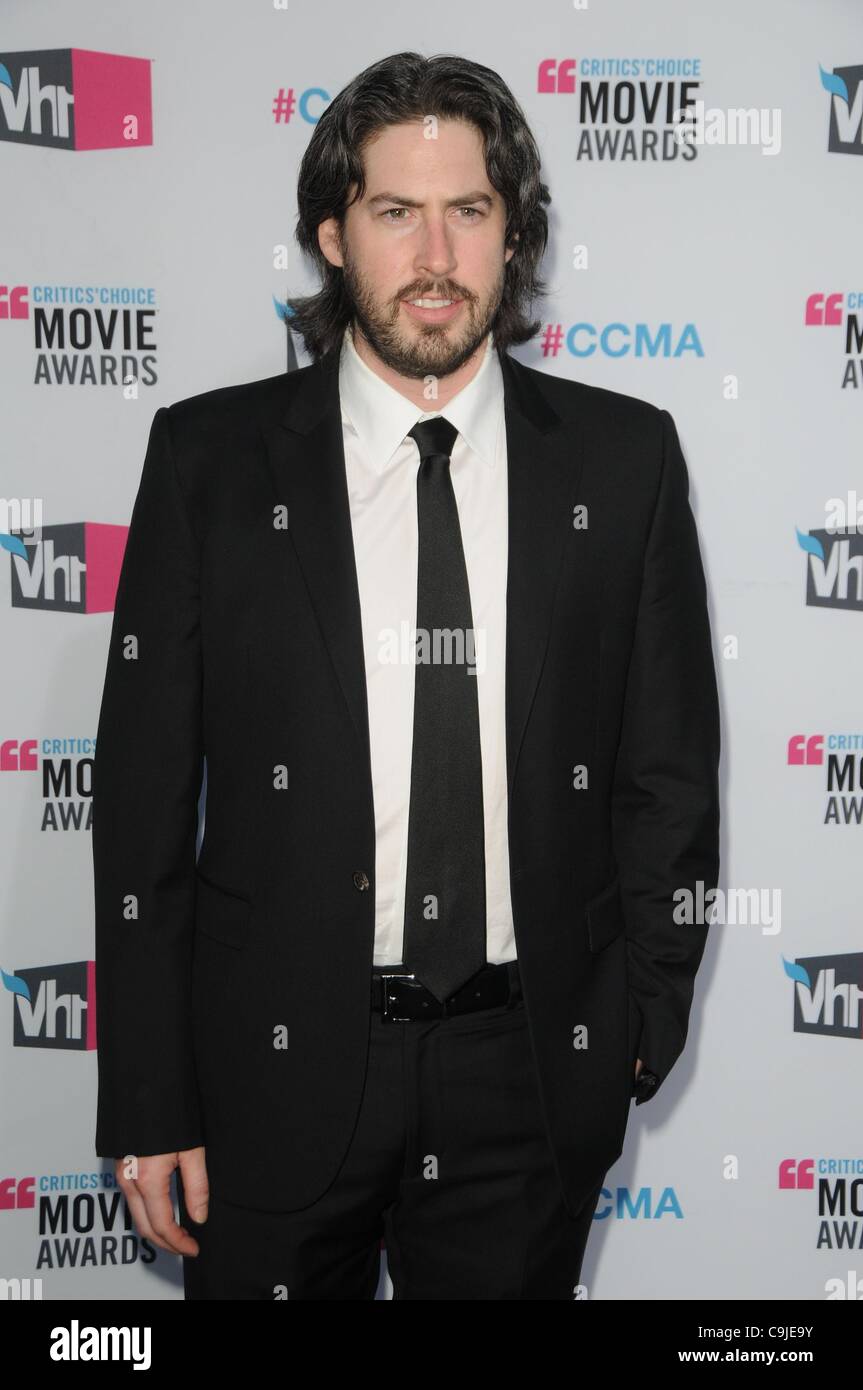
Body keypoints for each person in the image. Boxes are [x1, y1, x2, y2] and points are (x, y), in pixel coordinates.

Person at [93, 50, 720, 1300]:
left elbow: (667, 776)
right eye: (394, 212)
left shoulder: (622, 462)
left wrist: (635, 1025)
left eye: (469, 211)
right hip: (266, 1074)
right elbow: (143, 803)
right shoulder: (209, 465)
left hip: (524, 1077)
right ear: (332, 234)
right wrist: (151, 1092)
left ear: (512, 235)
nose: (433, 254)